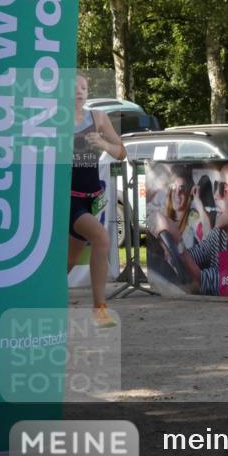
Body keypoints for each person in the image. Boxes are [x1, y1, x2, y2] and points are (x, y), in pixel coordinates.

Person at [69, 73, 127, 327]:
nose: (80, 91)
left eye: (83, 86)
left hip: (93, 197)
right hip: (68, 198)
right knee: (102, 238)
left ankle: (38, 298)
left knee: (68, 262)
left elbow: (121, 152)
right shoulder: (54, 121)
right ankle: (99, 309)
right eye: (73, 88)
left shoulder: (98, 118)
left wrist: (103, 143)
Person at [149, 161, 228, 295]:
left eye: (224, 190)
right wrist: (168, 246)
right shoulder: (219, 235)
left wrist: (177, 240)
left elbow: (202, 281)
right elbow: (193, 257)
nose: (215, 196)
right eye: (216, 187)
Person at [164, 165, 212, 250]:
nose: (177, 193)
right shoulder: (164, 215)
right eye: (174, 188)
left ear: (188, 194)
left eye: (182, 189)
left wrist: (199, 204)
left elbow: (208, 239)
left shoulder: (192, 217)